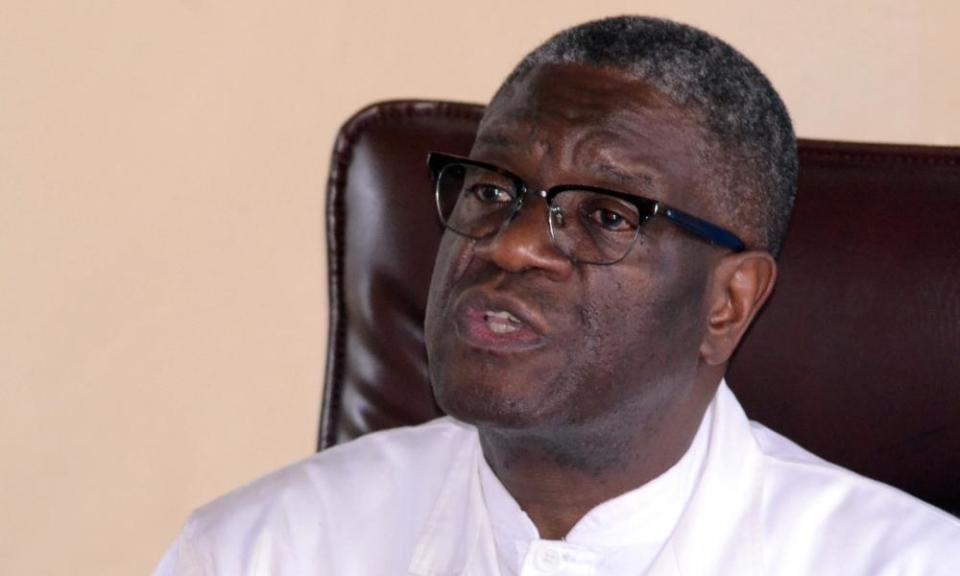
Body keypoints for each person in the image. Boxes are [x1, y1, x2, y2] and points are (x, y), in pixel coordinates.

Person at [155, 16, 960, 576]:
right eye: (493, 189)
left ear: (728, 303)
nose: (510, 244)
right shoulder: (259, 553)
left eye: (606, 216)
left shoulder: (906, 564)